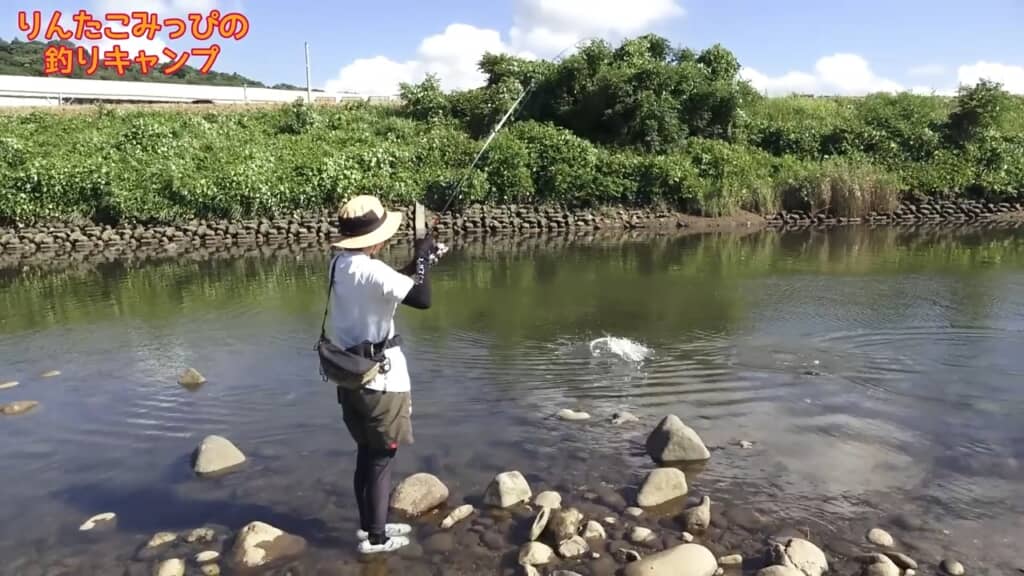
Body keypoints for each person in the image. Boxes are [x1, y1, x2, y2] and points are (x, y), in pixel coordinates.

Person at [324, 195, 442, 555]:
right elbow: (422, 300)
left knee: (366, 452)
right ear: (375, 239)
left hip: (351, 377)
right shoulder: (372, 270)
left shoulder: (340, 264)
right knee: (381, 459)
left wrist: (422, 263)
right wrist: (422, 259)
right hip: (381, 383)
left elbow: (394, 283)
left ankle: (369, 526)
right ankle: (377, 539)